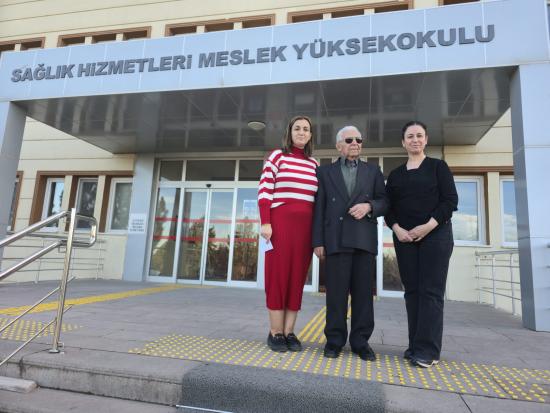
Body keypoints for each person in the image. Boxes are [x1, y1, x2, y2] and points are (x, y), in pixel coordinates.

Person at [385, 120, 458, 368]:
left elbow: (450, 201)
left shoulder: (438, 167)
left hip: (435, 236)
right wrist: (398, 230)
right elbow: (389, 209)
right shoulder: (396, 175)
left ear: (426, 140)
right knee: (413, 292)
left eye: (419, 135)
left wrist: (427, 227)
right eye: (410, 136)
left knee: (431, 292)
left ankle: (428, 351)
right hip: (405, 239)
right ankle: (415, 346)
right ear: (403, 142)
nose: (415, 140)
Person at [312, 125, 388, 361]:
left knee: (363, 296)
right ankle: (334, 341)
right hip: (335, 240)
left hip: (364, 240)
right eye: (349, 140)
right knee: (336, 295)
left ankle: (360, 342)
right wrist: (318, 241)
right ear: (338, 146)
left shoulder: (373, 171)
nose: (355, 143)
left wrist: (369, 206)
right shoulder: (324, 172)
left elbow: (385, 201)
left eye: (358, 140)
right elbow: (319, 208)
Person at [258, 115, 318, 353]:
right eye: (297, 128)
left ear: (310, 135)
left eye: (306, 129)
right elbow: (265, 190)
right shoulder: (277, 156)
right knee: (278, 277)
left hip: (305, 231)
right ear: (289, 133)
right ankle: (275, 332)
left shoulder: (313, 164)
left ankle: (290, 331)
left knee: (296, 279)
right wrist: (266, 222)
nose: (302, 132)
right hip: (280, 226)